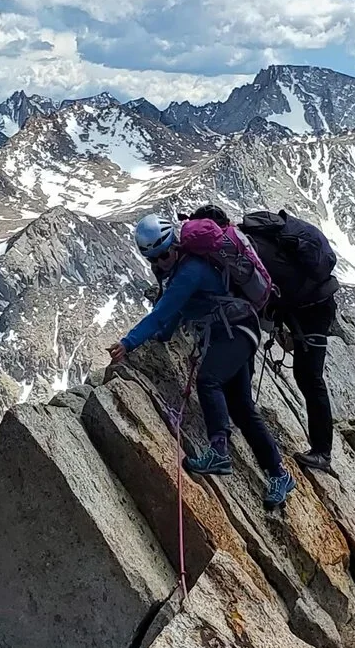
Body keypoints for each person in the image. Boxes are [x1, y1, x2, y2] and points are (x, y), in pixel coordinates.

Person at [108, 213, 297, 509]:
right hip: (236, 331)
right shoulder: (178, 272)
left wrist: (128, 342)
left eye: (165, 254)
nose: (161, 262)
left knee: (209, 380)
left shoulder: (190, 271)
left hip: (235, 332)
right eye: (155, 259)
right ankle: (279, 475)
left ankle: (219, 451)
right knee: (242, 409)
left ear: (174, 244)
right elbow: (173, 311)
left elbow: (162, 311)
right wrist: (163, 336)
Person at [237, 208, 342, 472]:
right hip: (314, 305)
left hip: (313, 310)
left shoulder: (251, 249)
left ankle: (322, 452)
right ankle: (320, 450)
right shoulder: (258, 241)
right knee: (307, 376)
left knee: (309, 377)